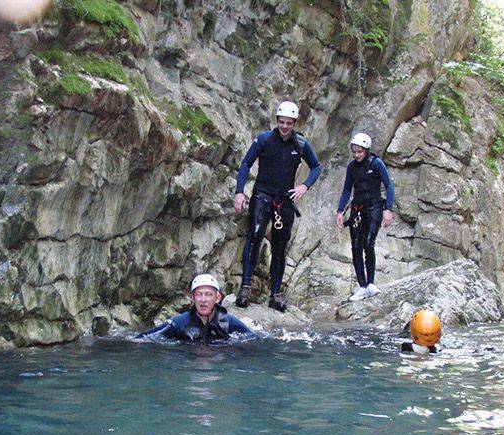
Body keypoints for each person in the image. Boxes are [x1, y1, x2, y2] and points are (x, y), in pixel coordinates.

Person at [233, 100, 322, 312]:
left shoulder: (300, 144)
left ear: (294, 123)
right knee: (254, 236)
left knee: (280, 246)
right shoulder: (264, 139)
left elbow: (316, 167)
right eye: (281, 122)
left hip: (284, 200)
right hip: (262, 195)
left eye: (288, 123)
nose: (284, 126)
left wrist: (304, 186)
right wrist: (239, 192)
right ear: (277, 121)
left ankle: (275, 293)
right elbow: (246, 164)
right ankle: (245, 287)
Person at [334, 132, 395, 301]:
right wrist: (340, 211)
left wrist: (388, 209)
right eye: (354, 151)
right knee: (355, 246)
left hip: (374, 207)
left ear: (366, 150)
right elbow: (347, 190)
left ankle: (371, 283)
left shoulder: (376, 164)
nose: (356, 155)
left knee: (369, 243)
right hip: (357, 209)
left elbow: (389, 186)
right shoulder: (352, 167)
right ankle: (361, 286)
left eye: (360, 151)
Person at [135, 274, 256, 343]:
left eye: (208, 294)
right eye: (199, 294)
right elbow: (144, 338)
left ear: (217, 298)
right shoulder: (179, 323)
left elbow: (255, 341)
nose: (203, 300)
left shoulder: (229, 322)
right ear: (192, 298)